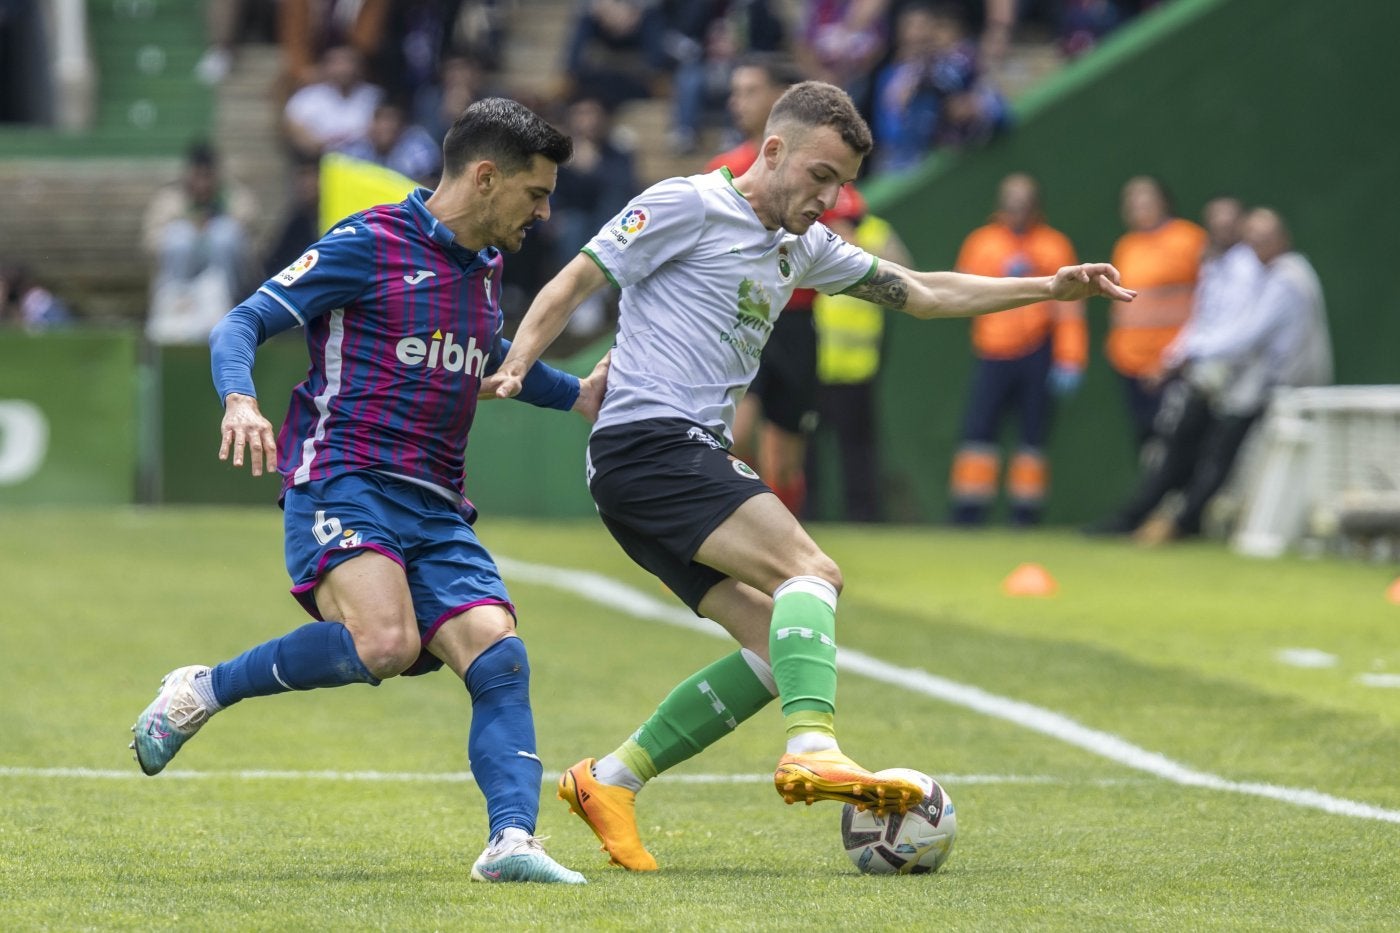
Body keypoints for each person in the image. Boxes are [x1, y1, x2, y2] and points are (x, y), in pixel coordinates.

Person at [486, 80, 1134, 871]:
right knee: (811, 571)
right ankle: (813, 744)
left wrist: (1049, 286)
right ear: (773, 151)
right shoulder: (686, 204)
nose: (830, 197)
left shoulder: (803, 247)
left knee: (773, 649)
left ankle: (610, 780)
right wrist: (520, 360)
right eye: (820, 176)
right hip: (650, 445)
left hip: (658, 464)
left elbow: (924, 292)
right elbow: (578, 279)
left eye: (843, 184)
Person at [128, 99, 607, 885]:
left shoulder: (482, 269)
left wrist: (576, 395)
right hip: (342, 476)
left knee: (499, 653)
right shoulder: (368, 242)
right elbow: (240, 322)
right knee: (387, 643)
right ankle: (201, 688)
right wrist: (239, 398)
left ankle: (510, 841)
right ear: (485, 177)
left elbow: (489, 355)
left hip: (437, 502)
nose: (545, 211)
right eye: (536, 192)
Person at [1107, 205, 1332, 544]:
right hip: (1251, 382)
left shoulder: (1286, 278)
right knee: (1198, 446)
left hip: (1282, 389)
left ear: (1283, 239)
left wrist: (1183, 356)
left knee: (1219, 452)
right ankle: (1170, 518)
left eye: (1265, 239)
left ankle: (1183, 522)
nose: (1257, 246)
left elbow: (1247, 334)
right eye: (1253, 239)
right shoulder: (1251, 270)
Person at [705, 58, 818, 515]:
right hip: (742, 319)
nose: (737, 101)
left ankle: (784, 539)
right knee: (738, 433)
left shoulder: (814, 170)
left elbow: (848, 227)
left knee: (785, 463)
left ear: (779, 97)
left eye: (749, 90)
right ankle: (738, 525)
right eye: (735, 91)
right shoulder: (723, 169)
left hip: (795, 323)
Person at [947, 173, 1084, 526]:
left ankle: (1025, 518)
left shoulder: (1055, 246)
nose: (1017, 207)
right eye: (1011, 199)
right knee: (979, 434)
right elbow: (962, 293)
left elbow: (1069, 309)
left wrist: (1070, 358)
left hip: (1038, 351)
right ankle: (968, 515)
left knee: (1032, 439)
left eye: (1024, 201)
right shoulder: (982, 243)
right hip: (993, 352)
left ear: (1036, 205)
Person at [808, 185, 911, 522]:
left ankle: (863, 516)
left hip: (857, 366)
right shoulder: (815, 233)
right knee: (805, 446)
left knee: (858, 449)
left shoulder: (874, 232)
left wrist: (859, 246)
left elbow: (906, 271)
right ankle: (806, 513)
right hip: (816, 361)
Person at [1105, 175, 1207, 452]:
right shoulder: (1126, 246)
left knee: (1180, 443)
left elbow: (1208, 303)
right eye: (1131, 201)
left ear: (1164, 201)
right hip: (1130, 364)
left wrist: (1175, 359)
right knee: (1146, 441)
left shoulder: (1189, 239)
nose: (1138, 207)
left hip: (1174, 364)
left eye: (1145, 199)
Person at [142, 140, 259, 345]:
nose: (203, 184)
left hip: (227, 283)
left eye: (208, 177)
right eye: (198, 176)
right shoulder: (169, 200)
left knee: (224, 234)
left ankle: (226, 311)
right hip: (180, 282)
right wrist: (190, 228)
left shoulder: (236, 198)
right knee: (180, 236)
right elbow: (150, 243)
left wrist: (213, 227)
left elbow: (252, 243)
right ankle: (176, 309)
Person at [282, 45, 385, 158]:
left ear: (360, 66)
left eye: (348, 62)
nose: (343, 69)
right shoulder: (307, 97)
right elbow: (295, 129)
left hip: (369, 162)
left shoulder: (375, 95)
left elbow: (384, 134)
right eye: (336, 63)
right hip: (319, 161)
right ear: (324, 66)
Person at [336, 100, 443, 185]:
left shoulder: (418, 147)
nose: (385, 127)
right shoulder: (360, 146)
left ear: (402, 126)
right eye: (380, 120)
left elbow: (427, 184)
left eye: (390, 121)